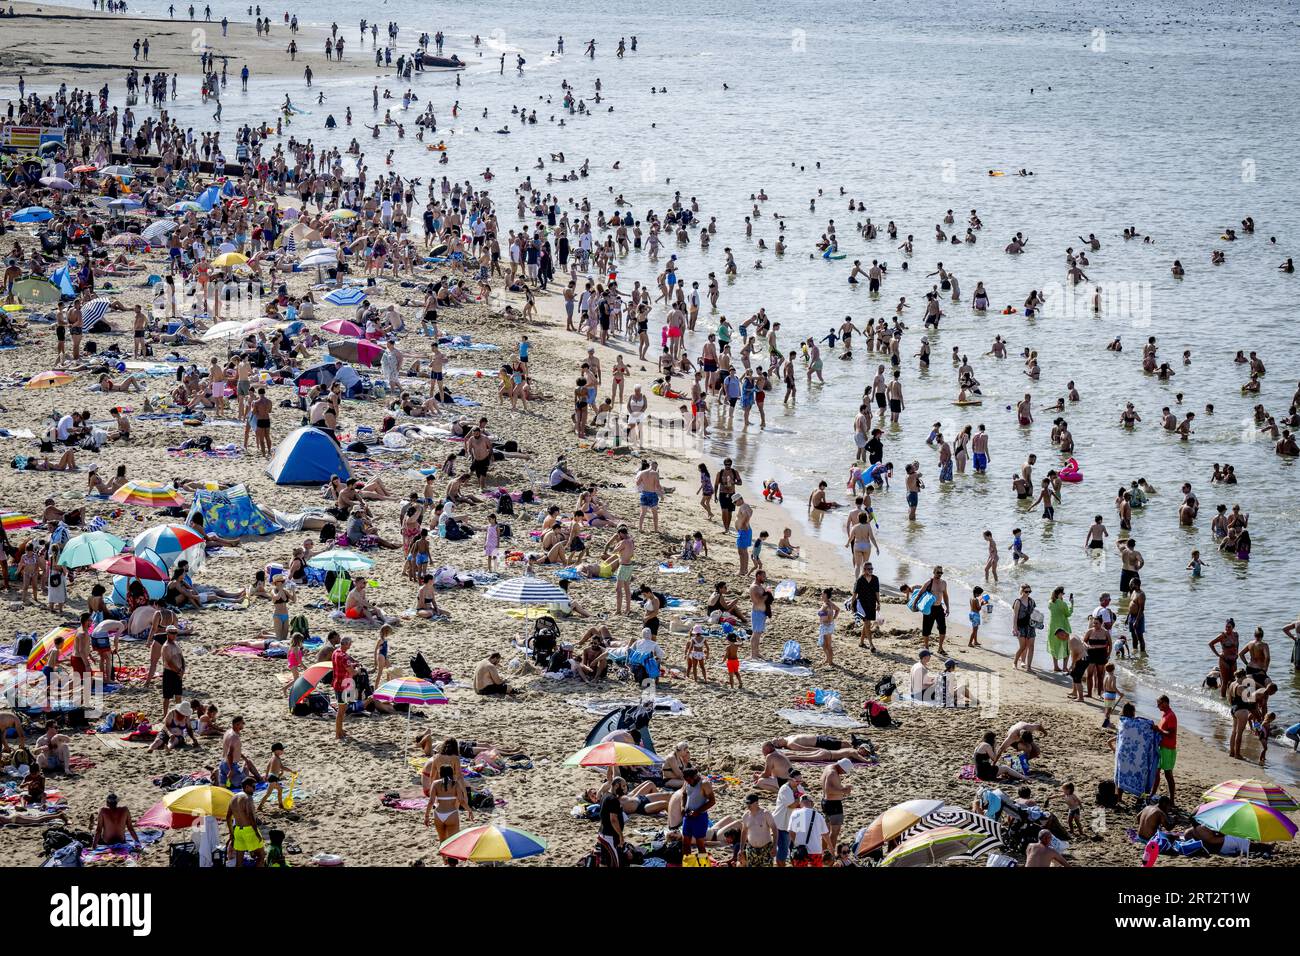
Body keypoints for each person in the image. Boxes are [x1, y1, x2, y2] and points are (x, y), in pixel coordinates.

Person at [225, 777, 265, 866]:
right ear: (247, 787)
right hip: (249, 830)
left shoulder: (233, 798)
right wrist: (256, 832)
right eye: (253, 787)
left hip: (238, 831)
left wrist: (231, 833)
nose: (255, 789)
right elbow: (251, 817)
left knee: (239, 862)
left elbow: (228, 817)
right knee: (261, 856)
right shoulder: (248, 798)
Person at [739, 792, 776, 866]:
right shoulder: (746, 816)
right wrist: (741, 849)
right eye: (747, 803)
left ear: (756, 803)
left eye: (750, 803)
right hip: (751, 850)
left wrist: (774, 846)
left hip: (766, 849)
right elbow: (744, 832)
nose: (748, 805)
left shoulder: (765, 814)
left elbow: (775, 830)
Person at [1153, 695, 1177, 804]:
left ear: (1166, 703)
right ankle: (1152, 793)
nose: (1158, 706)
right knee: (1156, 772)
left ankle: (1172, 799)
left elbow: (1171, 734)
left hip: (1168, 749)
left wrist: (1159, 730)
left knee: (1168, 774)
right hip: (1161, 747)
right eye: (1157, 704)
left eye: (1159, 704)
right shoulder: (1164, 715)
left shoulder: (1171, 716)